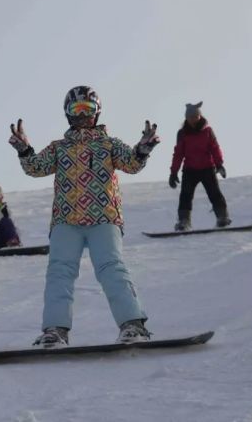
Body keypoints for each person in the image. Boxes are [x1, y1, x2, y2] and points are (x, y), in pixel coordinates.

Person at [9, 85, 160, 348]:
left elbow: (131, 163)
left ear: (97, 113)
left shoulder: (109, 145)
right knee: (59, 273)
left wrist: (142, 150)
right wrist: (25, 150)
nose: (82, 115)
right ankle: (55, 331)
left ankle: (133, 325)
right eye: (76, 110)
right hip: (66, 220)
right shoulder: (59, 148)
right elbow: (35, 168)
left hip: (103, 217)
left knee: (111, 268)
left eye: (87, 110)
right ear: (67, 114)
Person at [168, 101, 231, 231]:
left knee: (214, 193)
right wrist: (173, 172)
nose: (194, 120)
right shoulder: (182, 133)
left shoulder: (207, 131)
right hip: (190, 170)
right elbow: (178, 154)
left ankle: (222, 218)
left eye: (196, 117)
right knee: (185, 195)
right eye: (191, 117)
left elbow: (215, 148)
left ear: (200, 116)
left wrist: (219, 164)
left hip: (207, 168)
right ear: (187, 118)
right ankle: (184, 221)